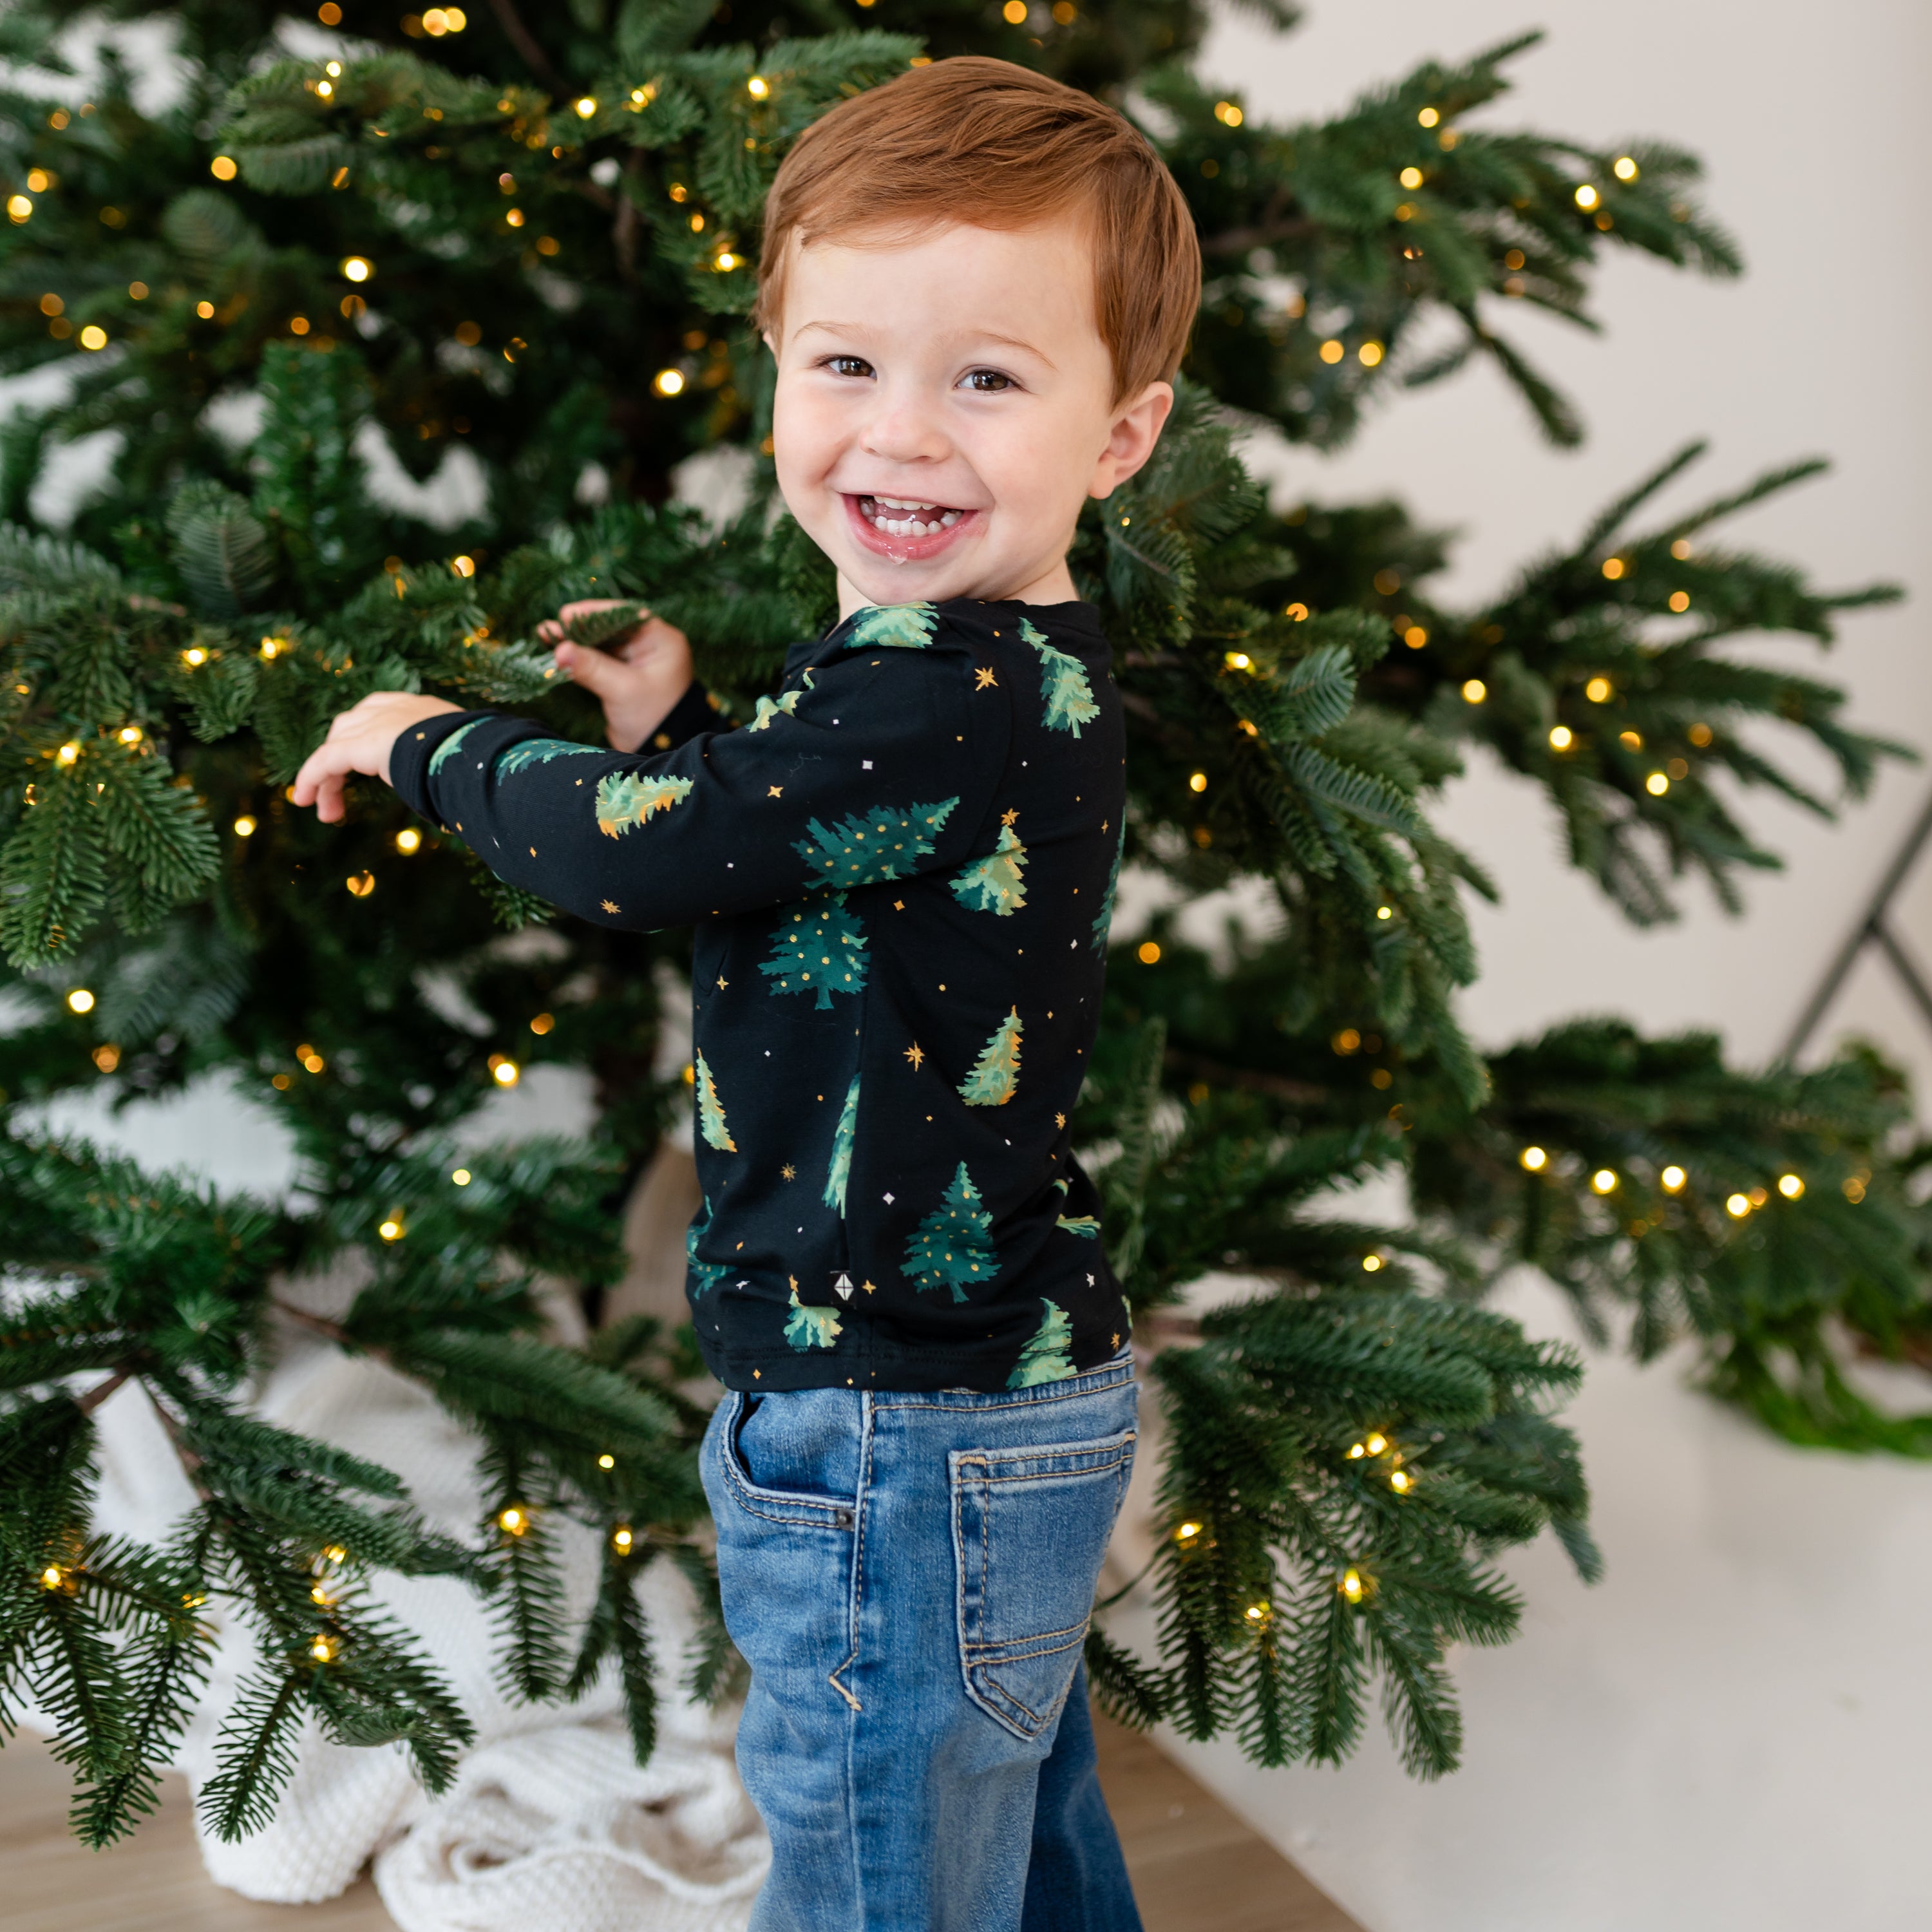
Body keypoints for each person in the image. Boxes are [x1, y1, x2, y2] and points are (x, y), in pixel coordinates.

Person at [294, 55, 1200, 1931]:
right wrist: (681, 726)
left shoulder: (934, 688)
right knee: (1011, 1835)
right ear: (776, 367)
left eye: (990, 378)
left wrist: (424, 744)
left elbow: (639, 852)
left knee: (875, 1861)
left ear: (1122, 434)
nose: (905, 434)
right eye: (848, 364)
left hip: (897, 1419)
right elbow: (786, 873)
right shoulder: (978, 672)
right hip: (988, 1389)